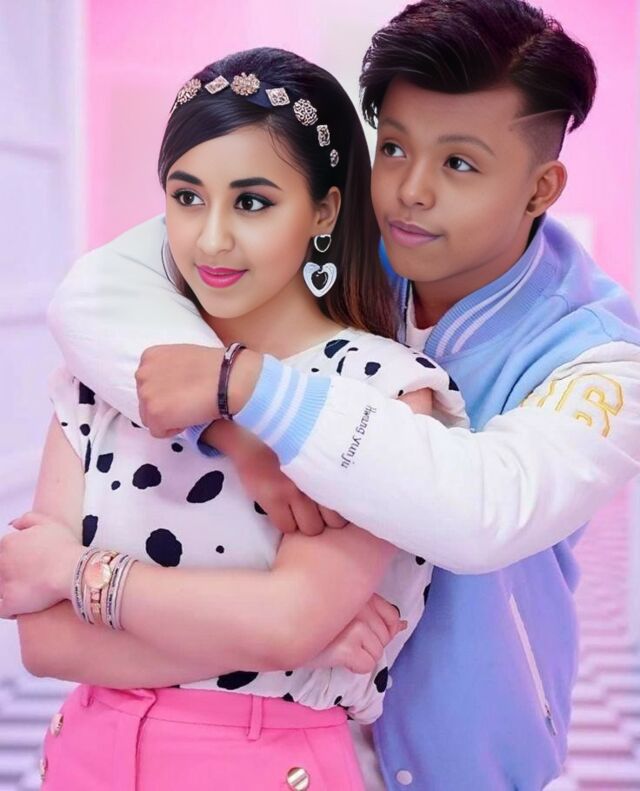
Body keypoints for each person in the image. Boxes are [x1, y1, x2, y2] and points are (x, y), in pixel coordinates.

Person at [15, 0, 640, 788]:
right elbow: (95, 291)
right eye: (395, 147)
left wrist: (250, 391)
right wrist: (236, 428)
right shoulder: (317, 238)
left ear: (541, 187)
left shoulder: (600, 357)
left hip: (463, 757)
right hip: (301, 738)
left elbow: (482, 510)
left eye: (459, 164)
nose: (410, 191)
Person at [0, 46, 468, 790]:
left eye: (252, 202)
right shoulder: (109, 371)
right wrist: (290, 643)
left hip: (264, 766)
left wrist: (71, 570)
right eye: (187, 197)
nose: (211, 238)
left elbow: (286, 621)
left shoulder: (376, 391)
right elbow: (45, 643)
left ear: (324, 210)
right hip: (85, 760)